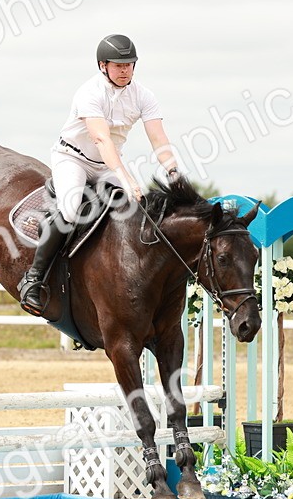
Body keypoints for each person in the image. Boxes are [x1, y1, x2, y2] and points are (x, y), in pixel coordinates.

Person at [18, 33, 182, 315]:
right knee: (70, 211)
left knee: (134, 210)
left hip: (106, 165)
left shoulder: (143, 95)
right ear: (102, 65)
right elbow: (102, 140)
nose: (124, 70)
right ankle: (33, 279)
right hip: (73, 159)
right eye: (118, 65)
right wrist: (128, 179)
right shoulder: (88, 93)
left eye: (129, 64)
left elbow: (158, 138)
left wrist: (174, 172)